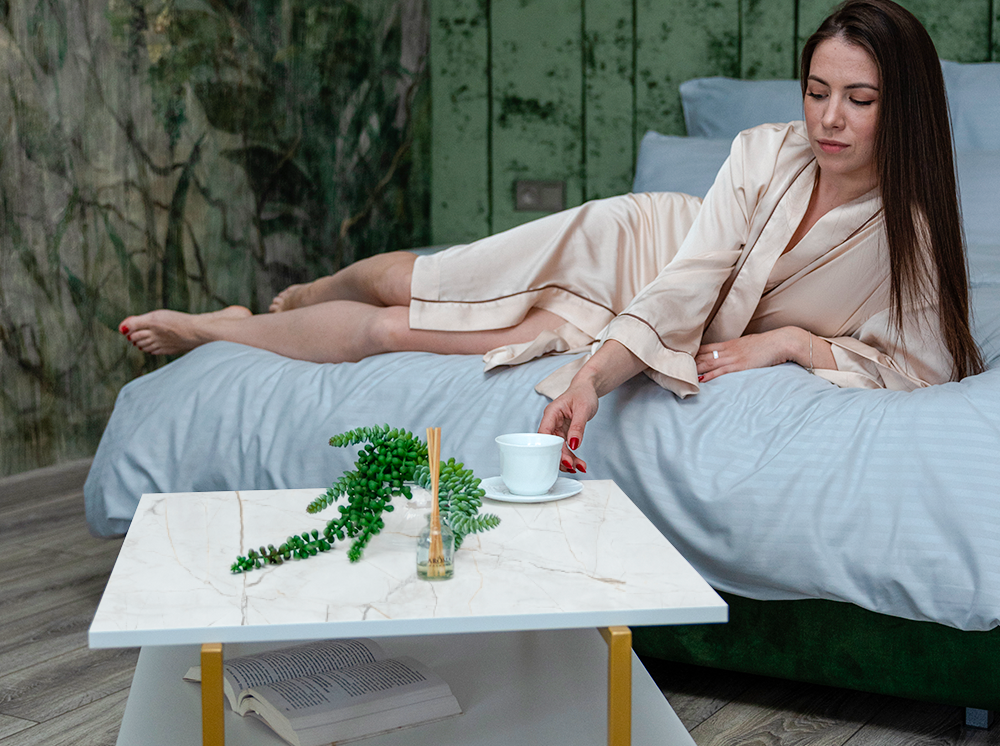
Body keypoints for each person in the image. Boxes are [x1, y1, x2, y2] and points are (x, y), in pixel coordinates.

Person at [119, 0, 983, 476]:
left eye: (859, 100)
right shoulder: (763, 152)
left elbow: (920, 366)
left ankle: (218, 330)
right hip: (640, 253)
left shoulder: (907, 237)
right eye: (817, 91)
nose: (829, 119)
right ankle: (301, 296)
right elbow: (689, 280)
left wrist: (792, 344)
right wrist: (595, 378)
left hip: (656, 327)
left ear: (901, 106)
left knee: (391, 330)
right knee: (408, 282)